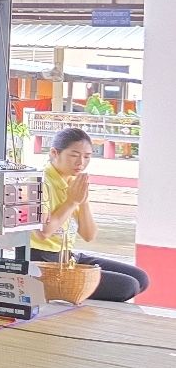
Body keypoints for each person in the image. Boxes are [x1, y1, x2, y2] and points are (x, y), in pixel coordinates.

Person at [32, 129, 151, 302]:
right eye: (74, 155)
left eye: (87, 156)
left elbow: (89, 235)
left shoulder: (73, 181)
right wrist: (72, 201)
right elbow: (44, 232)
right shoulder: (39, 182)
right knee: (128, 286)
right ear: (54, 153)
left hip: (67, 256)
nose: (81, 162)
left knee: (141, 278)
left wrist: (83, 201)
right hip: (44, 260)